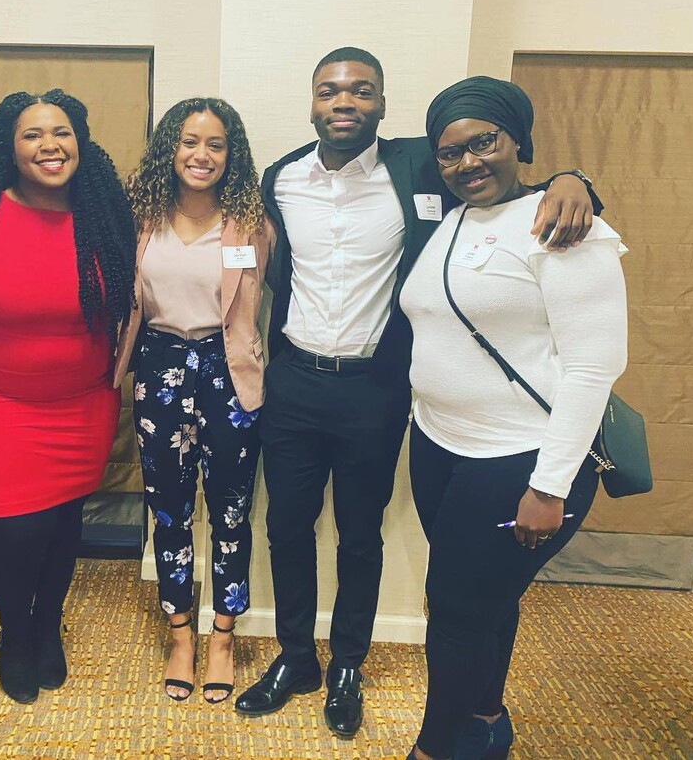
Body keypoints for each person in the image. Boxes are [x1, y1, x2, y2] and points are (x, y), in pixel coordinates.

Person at [234, 47, 601, 738]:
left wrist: (574, 179)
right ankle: (294, 656)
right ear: (312, 102)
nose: (344, 101)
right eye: (329, 90)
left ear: (381, 103)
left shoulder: (418, 166)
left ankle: (346, 663)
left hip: (374, 387)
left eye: (361, 90)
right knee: (285, 526)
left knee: (360, 533)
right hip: (294, 380)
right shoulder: (281, 176)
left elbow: (499, 177)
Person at [400, 76, 627, 760]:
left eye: (484, 142)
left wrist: (549, 484)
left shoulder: (565, 229)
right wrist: (573, 173)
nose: (468, 162)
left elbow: (593, 367)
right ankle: (485, 722)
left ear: (516, 140)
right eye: (450, 153)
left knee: (456, 612)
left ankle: (435, 748)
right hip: (440, 446)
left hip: (520, 462)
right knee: (480, 599)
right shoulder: (449, 216)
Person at [0, 89, 135, 705]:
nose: (50, 145)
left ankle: (48, 627)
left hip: (84, 403)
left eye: (62, 132)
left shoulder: (106, 215)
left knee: (63, 527)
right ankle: (16, 635)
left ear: (82, 141)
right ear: (9, 147)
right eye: (32, 134)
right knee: (17, 534)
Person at [115, 98, 275, 703]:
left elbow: (269, 301)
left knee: (232, 510)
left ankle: (223, 639)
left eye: (215, 144)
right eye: (189, 141)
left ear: (231, 154)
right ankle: (180, 632)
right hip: (159, 366)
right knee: (169, 508)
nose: (200, 155)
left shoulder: (252, 222)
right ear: (170, 149)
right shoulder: (143, 216)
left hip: (227, 371)